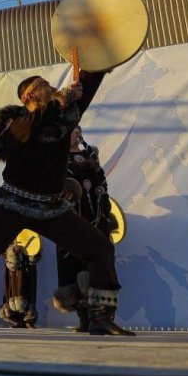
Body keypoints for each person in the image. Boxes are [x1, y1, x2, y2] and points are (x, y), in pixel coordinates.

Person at [0, 72, 134, 336]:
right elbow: (12, 140)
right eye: (44, 85)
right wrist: (59, 101)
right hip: (13, 202)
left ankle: (100, 316)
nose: (52, 87)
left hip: (51, 207)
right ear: (28, 95)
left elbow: (81, 91)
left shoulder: (63, 117)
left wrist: (98, 65)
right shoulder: (15, 119)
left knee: (99, 247)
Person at [54, 129, 116, 331]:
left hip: (95, 217)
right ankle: (84, 318)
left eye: (77, 130)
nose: (75, 133)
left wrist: (103, 209)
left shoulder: (90, 156)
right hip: (73, 218)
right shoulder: (57, 157)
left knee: (99, 264)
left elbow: (102, 184)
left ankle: (101, 317)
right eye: (71, 130)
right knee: (75, 264)